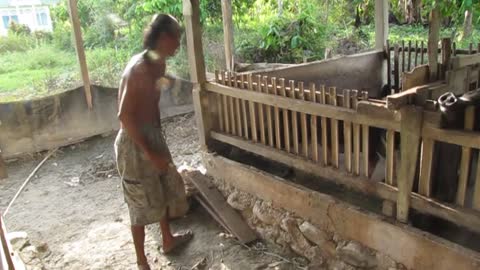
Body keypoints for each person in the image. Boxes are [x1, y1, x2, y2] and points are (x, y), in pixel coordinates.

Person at [114, 14, 192, 270]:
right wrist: (150, 151)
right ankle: (141, 261)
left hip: (151, 136)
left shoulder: (158, 64)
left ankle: (168, 239)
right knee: (139, 203)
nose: (178, 45)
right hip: (134, 144)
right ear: (162, 38)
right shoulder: (138, 69)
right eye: (176, 39)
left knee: (163, 189)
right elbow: (125, 116)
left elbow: (152, 103)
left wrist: (158, 139)